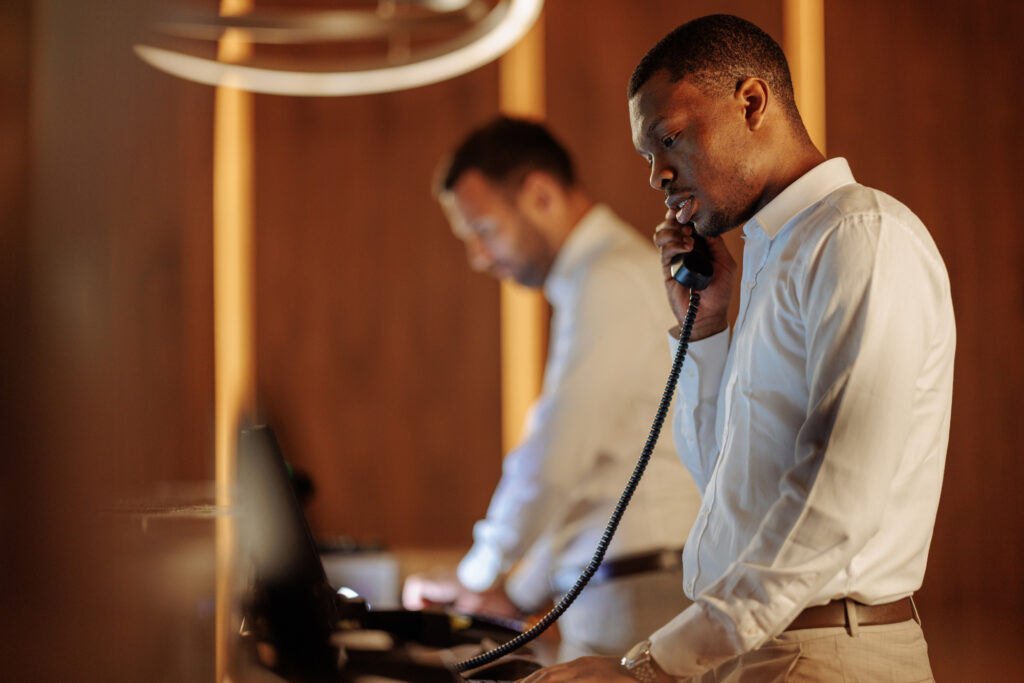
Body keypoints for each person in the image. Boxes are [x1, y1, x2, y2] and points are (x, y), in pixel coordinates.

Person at [523, 14, 954, 682]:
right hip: (761, 644)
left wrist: (652, 665)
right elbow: (727, 484)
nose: (658, 175)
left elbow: (832, 500)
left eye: (671, 138)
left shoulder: (858, 236)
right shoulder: (776, 252)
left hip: (824, 649)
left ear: (752, 103)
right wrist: (708, 329)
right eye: (648, 157)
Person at [401, 116, 703, 661]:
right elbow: (587, 475)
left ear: (540, 194)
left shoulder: (608, 278)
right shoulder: (601, 280)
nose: (479, 256)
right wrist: (511, 590)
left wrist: (480, 569)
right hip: (618, 584)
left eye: (485, 230)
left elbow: (556, 456)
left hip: (639, 590)